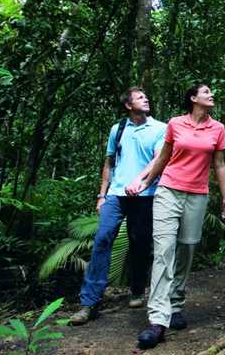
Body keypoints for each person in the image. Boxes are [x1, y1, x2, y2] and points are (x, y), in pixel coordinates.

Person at [126, 82, 225, 349]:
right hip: (168, 191)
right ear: (193, 98)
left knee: (187, 248)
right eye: (206, 92)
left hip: (197, 195)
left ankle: (175, 303)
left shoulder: (218, 128)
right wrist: (145, 181)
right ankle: (158, 320)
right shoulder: (175, 124)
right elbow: (163, 158)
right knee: (164, 251)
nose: (212, 95)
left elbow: (218, 164)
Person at [69, 88, 166, 325]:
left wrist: (142, 183)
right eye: (140, 97)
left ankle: (136, 289)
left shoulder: (160, 128)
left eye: (146, 95)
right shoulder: (118, 128)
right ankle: (89, 303)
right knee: (102, 240)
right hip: (115, 194)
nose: (146, 98)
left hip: (145, 194)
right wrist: (102, 195)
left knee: (140, 243)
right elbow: (109, 162)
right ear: (128, 105)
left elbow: (158, 160)